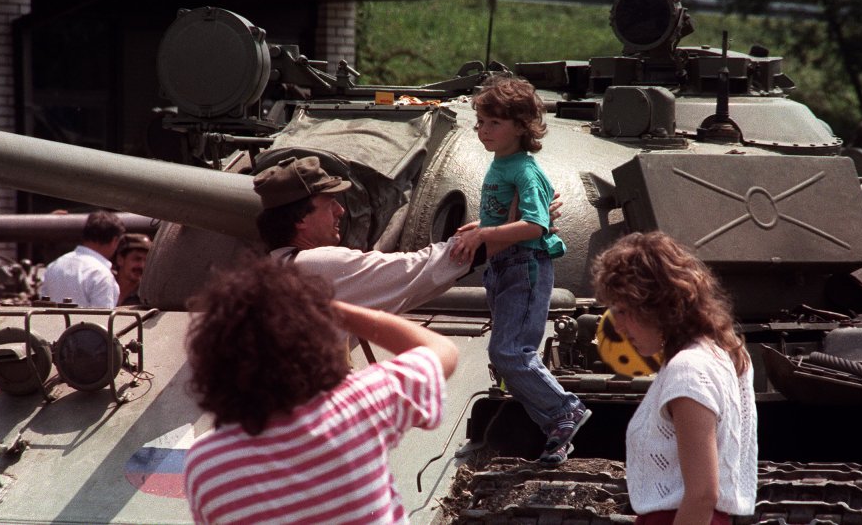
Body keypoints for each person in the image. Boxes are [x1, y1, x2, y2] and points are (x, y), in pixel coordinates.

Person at [182, 257, 458, 525]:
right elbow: (443, 351)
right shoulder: (360, 405)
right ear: (313, 341)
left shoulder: (205, 464)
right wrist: (333, 310)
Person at [448, 75, 589, 467]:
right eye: (480, 122)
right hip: (503, 266)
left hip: (524, 266)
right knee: (507, 359)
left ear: (521, 126)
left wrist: (487, 233)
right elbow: (507, 215)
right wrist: (482, 227)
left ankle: (566, 410)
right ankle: (555, 430)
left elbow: (536, 225)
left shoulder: (525, 171)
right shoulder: (502, 164)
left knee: (510, 352)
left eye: (494, 123)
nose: (483, 130)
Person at [252, 155, 563, 314]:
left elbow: (408, 290)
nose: (340, 212)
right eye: (328, 204)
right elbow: (416, 270)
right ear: (300, 221)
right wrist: (507, 229)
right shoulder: (315, 267)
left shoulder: (274, 271)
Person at [591, 231, 758, 525]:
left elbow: (702, 494)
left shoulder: (689, 369)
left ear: (657, 305)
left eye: (623, 310)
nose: (617, 326)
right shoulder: (719, 353)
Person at [39, 210, 125, 308]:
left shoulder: (54, 266)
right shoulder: (101, 274)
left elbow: (43, 308)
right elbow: (102, 321)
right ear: (115, 240)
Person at [114, 233, 152, 306]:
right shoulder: (102, 284)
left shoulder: (148, 296)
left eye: (146, 260)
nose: (142, 266)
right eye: (137, 259)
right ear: (120, 259)